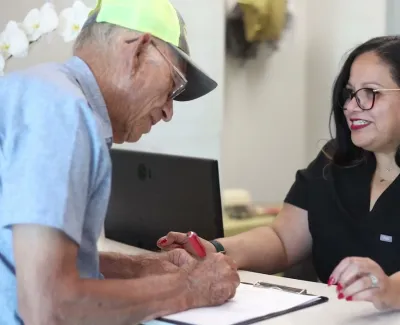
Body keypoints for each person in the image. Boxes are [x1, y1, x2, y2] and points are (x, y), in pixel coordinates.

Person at [0, 0, 240, 324]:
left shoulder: (45, 92)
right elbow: (49, 306)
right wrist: (190, 287)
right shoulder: (64, 114)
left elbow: (32, 261)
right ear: (138, 52)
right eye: (174, 87)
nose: (169, 112)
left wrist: (140, 268)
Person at [159, 35, 400, 311]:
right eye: (350, 94)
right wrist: (214, 249)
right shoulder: (334, 161)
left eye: (371, 92)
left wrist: (390, 290)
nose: (351, 107)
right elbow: (283, 240)